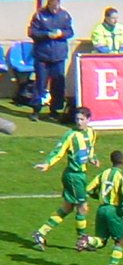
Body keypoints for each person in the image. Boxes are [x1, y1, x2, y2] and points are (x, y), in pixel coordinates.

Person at [32, 106, 99, 251]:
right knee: (82, 207)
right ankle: (82, 239)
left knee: (67, 208)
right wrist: (47, 163)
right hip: (73, 176)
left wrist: (93, 159)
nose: (79, 122)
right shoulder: (70, 135)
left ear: (88, 120)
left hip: (81, 175)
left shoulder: (92, 133)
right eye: (77, 119)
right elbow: (58, 151)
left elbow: (90, 150)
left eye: (82, 119)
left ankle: (40, 233)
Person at [76, 150, 123, 265]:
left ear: (111, 161)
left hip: (101, 210)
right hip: (114, 211)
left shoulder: (103, 174)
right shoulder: (121, 178)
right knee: (120, 240)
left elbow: (88, 189)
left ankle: (87, 239)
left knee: (101, 241)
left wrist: (96, 196)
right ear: (122, 161)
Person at [27, 0, 74, 122]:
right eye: (52, 7)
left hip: (59, 55)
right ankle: (36, 110)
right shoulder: (39, 15)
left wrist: (62, 34)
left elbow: (70, 32)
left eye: (56, 7)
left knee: (58, 83)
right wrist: (47, 34)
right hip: (42, 55)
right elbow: (32, 32)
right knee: (40, 83)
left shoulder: (64, 15)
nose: (54, 10)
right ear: (48, 5)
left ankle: (55, 110)